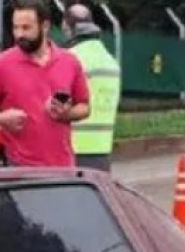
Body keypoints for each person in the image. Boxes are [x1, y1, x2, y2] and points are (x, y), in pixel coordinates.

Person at [0, 0, 91, 167]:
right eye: (15, 27)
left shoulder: (69, 62)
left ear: (45, 26)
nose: (19, 35)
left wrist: (65, 114)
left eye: (26, 28)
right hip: (19, 169)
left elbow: (84, 107)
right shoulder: (1, 64)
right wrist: (0, 118)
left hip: (63, 168)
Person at [63, 3, 120, 172]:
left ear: (68, 27)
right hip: (102, 151)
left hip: (72, 151)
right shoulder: (111, 62)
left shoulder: (70, 59)